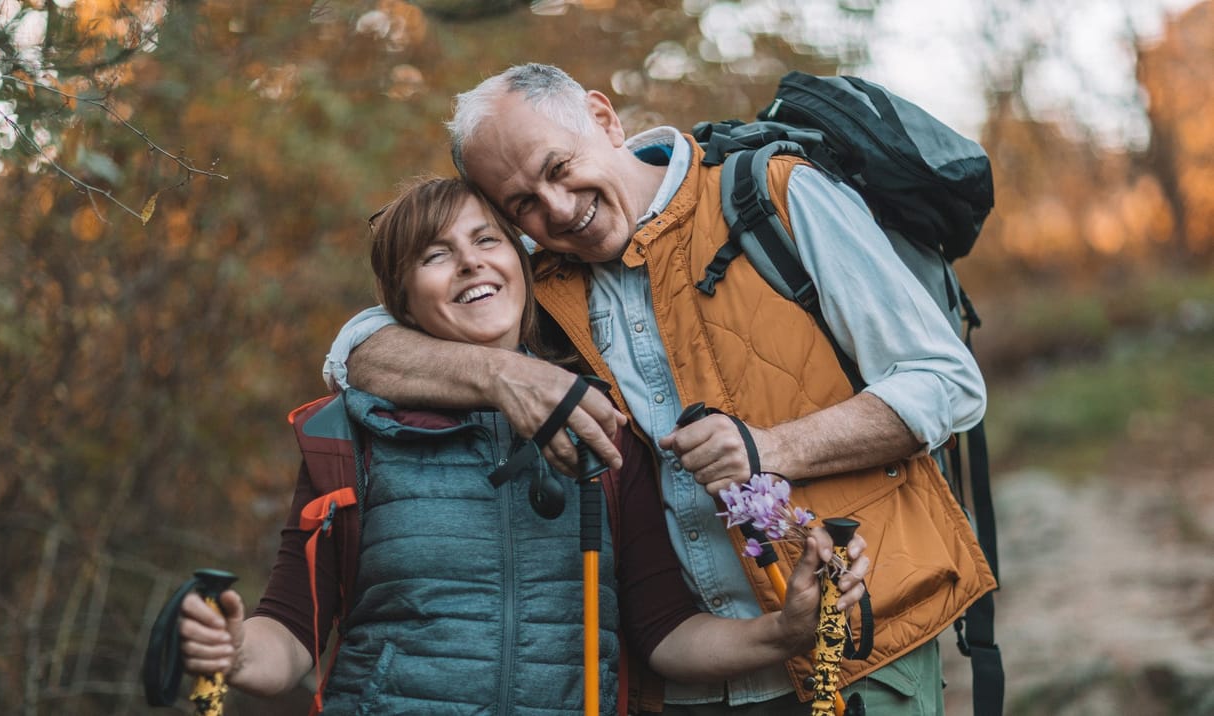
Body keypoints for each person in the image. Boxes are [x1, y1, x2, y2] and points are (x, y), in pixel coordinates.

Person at [322, 64, 998, 715]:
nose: (558, 209)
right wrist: (507, 374)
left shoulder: (776, 196)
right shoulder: (538, 275)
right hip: (674, 685)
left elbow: (945, 382)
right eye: (522, 203)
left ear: (602, 117)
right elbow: (357, 350)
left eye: (560, 168)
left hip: (852, 645)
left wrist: (772, 448)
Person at [178, 176, 869, 715]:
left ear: (520, 263)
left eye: (487, 241)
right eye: (434, 255)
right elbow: (290, 639)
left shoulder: (605, 430)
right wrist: (232, 649)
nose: (470, 266)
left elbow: (664, 636)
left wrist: (784, 634)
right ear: (403, 302)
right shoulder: (347, 437)